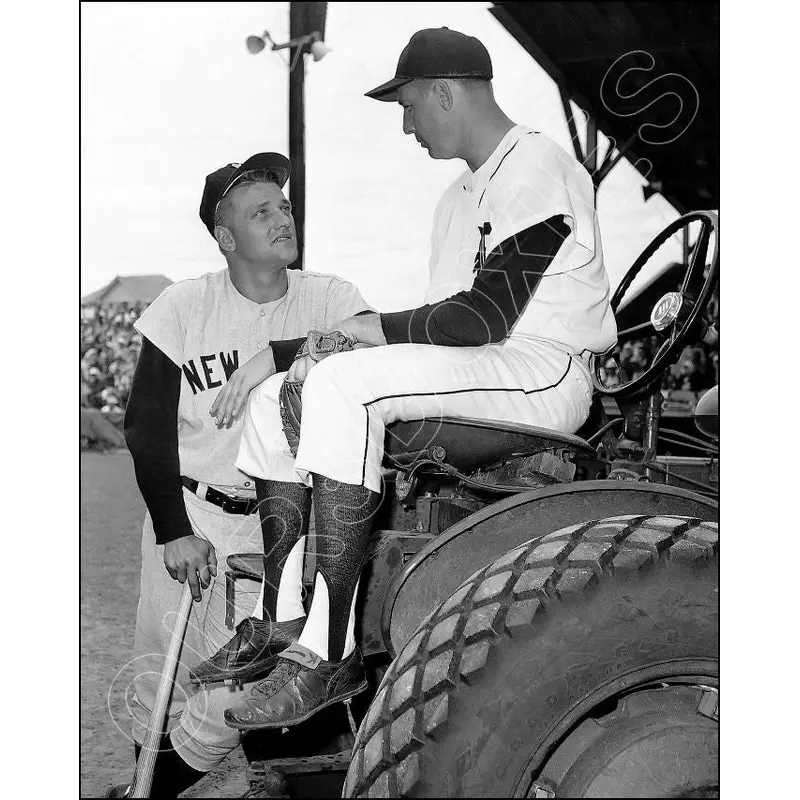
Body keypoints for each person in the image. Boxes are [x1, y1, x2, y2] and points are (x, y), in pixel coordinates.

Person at [215, 28, 618, 732]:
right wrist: (306, 353)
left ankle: (329, 651)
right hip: (489, 363)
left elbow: (480, 319)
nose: (404, 124)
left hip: (543, 368)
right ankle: (278, 621)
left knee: (341, 385)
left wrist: (357, 336)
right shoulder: (455, 199)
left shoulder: (539, 166)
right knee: (281, 395)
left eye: (407, 106)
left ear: (443, 92)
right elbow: (442, 331)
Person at [107, 153, 372, 798]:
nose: (282, 218)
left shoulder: (330, 297)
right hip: (194, 515)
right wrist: (174, 530)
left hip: (286, 527)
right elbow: (145, 426)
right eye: (260, 212)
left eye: (282, 206)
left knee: (249, 687)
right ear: (225, 237)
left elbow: (375, 345)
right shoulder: (184, 306)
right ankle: (145, 781)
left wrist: (278, 355)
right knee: (161, 684)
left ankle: (163, 790)